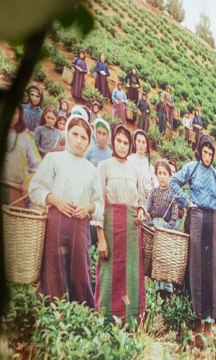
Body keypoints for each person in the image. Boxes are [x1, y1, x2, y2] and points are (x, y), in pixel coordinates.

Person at [29, 114, 103, 307]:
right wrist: (55, 200)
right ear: (67, 134)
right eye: (75, 134)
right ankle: (53, 313)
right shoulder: (54, 159)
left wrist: (88, 207)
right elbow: (35, 189)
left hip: (80, 226)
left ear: (89, 141)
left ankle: (79, 316)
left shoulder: (91, 170)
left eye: (84, 137)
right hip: (56, 221)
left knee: (80, 270)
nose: (78, 141)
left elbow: (100, 204)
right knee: (54, 269)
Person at [169, 134, 216, 338]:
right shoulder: (192, 167)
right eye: (204, 152)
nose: (207, 156)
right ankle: (193, 318)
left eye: (210, 153)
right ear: (200, 152)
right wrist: (186, 202)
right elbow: (173, 183)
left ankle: (208, 322)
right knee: (194, 267)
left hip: (211, 224)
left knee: (210, 270)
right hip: (195, 219)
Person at [94, 123, 146, 326]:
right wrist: (100, 238)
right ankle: (105, 321)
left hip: (132, 230)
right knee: (109, 273)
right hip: (110, 226)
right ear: (113, 142)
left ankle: (131, 322)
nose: (122, 146)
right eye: (119, 141)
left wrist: (141, 211)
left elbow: (140, 199)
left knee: (131, 274)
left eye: (126, 142)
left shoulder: (134, 169)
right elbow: (98, 202)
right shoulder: (104, 166)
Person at [146, 159, 179, 298]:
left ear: (169, 175)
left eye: (165, 173)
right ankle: (156, 293)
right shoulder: (153, 193)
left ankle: (167, 292)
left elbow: (175, 215)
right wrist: (152, 225)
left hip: (167, 233)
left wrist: (167, 228)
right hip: (155, 230)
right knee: (156, 261)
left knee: (166, 261)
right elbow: (147, 211)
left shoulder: (173, 194)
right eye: (159, 173)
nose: (162, 176)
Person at [2, 105, 41, 206]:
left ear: (20, 115)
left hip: (15, 191)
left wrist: (28, 180)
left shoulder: (26, 138)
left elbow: (38, 166)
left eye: (15, 112)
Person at [128, 130, 157, 197]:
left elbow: (156, 184)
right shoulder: (129, 160)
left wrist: (150, 192)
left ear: (146, 145)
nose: (141, 145)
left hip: (146, 201)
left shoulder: (149, 165)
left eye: (143, 142)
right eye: (139, 141)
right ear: (135, 142)